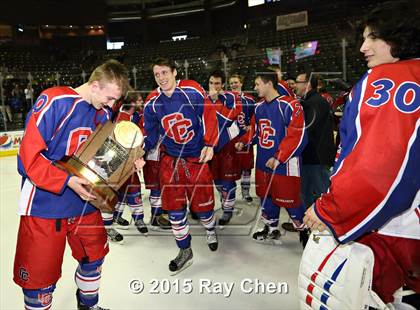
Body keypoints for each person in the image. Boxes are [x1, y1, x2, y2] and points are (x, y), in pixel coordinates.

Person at [303, 0, 420, 306]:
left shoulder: (393, 78)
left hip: (395, 227)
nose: (363, 48)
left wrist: (331, 209)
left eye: (372, 37)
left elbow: (380, 167)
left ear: (398, 37)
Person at [13, 59, 131, 310]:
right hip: (45, 206)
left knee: (94, 259)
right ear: (95, 85)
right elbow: (27, 159)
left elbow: (102, 162)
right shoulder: (55, 101)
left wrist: (128, 161)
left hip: (84, 204)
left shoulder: (103, 113)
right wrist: (66, 180)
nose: (112, 106)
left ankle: (88, 305)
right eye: (110, 98)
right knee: (39, 280)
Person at [143, 57, 218, 273]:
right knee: (175, 211)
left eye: (165, 72)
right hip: (171, 161)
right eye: (157, 74)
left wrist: (210, 143)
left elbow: (209, 116)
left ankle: (210, 229)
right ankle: (185, 250)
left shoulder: (192, 90)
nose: (161, 78)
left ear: (175, 72)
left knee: (204, 211)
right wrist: (140, 151)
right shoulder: (152, 102)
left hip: (196, 159)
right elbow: (151, 135)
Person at [236, 72, 309, 246]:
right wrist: (244, 141)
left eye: (257, 84)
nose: (255, 88)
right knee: (266, 197)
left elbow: (297, 135)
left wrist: (279, 156)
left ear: (269, 84)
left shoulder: (290, 105)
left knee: (290, 200)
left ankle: (304, 231)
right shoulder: (259, 107)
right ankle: (271, 228)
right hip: (263, 162)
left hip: (285, 164)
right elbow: (255, 130)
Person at [294, 72, 336, 209]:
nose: (295, 85)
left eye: (297, 82)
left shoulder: (314, 102)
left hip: (316, 157)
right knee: (306, 191)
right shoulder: (311, 101)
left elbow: (306, 130)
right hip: (311, 156)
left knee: (322, 193)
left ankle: (328, 224)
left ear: (307, 85)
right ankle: (308, 223)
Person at [207, 70, 242, 226]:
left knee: (228, 181)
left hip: (227, 146)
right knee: (217, 181)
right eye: (211, 83)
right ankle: (225, 203)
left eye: (217, 83)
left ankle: (227, 210)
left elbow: (229, 118)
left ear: (222, 85)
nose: (214, 87)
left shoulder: (231, 97)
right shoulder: (203, 99)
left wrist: (216, 102)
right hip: (210, 147)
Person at [229, 74, 256, 203]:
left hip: (244, 139)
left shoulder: (250, 100)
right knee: (230, 168)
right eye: (231, 83)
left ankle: (245, 193)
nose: (233, 85)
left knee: (246, 168)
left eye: (236, 82)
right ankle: (230, 195)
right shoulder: (226, 99)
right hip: (230, 140)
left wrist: (250, 126)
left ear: (241, 83)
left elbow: (254, 118)